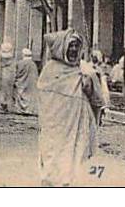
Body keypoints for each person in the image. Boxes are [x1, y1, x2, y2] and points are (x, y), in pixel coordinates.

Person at [37, 29, 105, 187]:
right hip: (54, 128)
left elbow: (97, 100)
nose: (74, 50)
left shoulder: (84, 70)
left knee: (74, 162)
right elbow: (43, 99)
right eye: (70, 45)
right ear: (62, 48)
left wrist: (88, 87)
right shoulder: (50, 70)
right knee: (52, 163)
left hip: (77, 125)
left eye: (76, 46)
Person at [14, 48, 39, 115]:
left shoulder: (20, 63)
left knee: (21, 94)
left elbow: (17, 73)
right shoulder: (33, 64)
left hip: (22, 82)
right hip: (31, 83)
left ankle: (21, 109)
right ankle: (29, 110)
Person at [0, 42, 16, 112]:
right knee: (8, 91)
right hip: (9, 75)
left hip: (3, 75)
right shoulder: (12, 58)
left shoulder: (0, 57)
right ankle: (7, 105)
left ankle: (3, 103)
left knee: (3, 90)